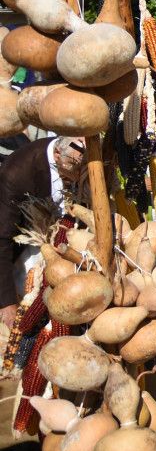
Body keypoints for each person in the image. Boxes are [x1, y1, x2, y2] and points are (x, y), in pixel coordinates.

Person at [0, 137, 85, 327]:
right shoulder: (16, 174)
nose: (80, 173)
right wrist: (7, 304)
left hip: (72, 248)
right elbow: (2, 239)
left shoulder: (75, 152)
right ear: (57, 155)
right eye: (75, 167)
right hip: (29, 252)